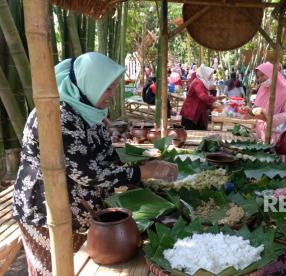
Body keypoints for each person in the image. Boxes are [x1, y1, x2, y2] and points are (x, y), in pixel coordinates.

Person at [12, 52, 179, 275]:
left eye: (114, 88)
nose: (111, 95)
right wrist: (143, 172)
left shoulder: (89, 111)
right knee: (50, 271)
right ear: (88, 83)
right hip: (44, 211)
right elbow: (88, 173)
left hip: (78, 212)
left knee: (74, 268)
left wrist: (147, 169)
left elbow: (109, 157)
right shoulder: (58, 115)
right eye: (107, 88)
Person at [252, 62, 286, 143]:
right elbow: (257, 108)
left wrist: (269, 118)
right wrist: (250, 113)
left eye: (262, 75)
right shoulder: (263, 89)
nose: (260, 79)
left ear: (272, 73)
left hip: (277, 139)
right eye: (258, 77)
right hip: (262, 136)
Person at [180, 64, 218, 130]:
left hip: (196, 113)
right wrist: (214, 100)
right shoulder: (198, 82)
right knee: (190, 136)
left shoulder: (202, 83)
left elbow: (204, 98)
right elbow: (203, 96)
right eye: (210, 75)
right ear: (205, 74)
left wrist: (212, 104)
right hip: (191, 113)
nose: (211, 77)